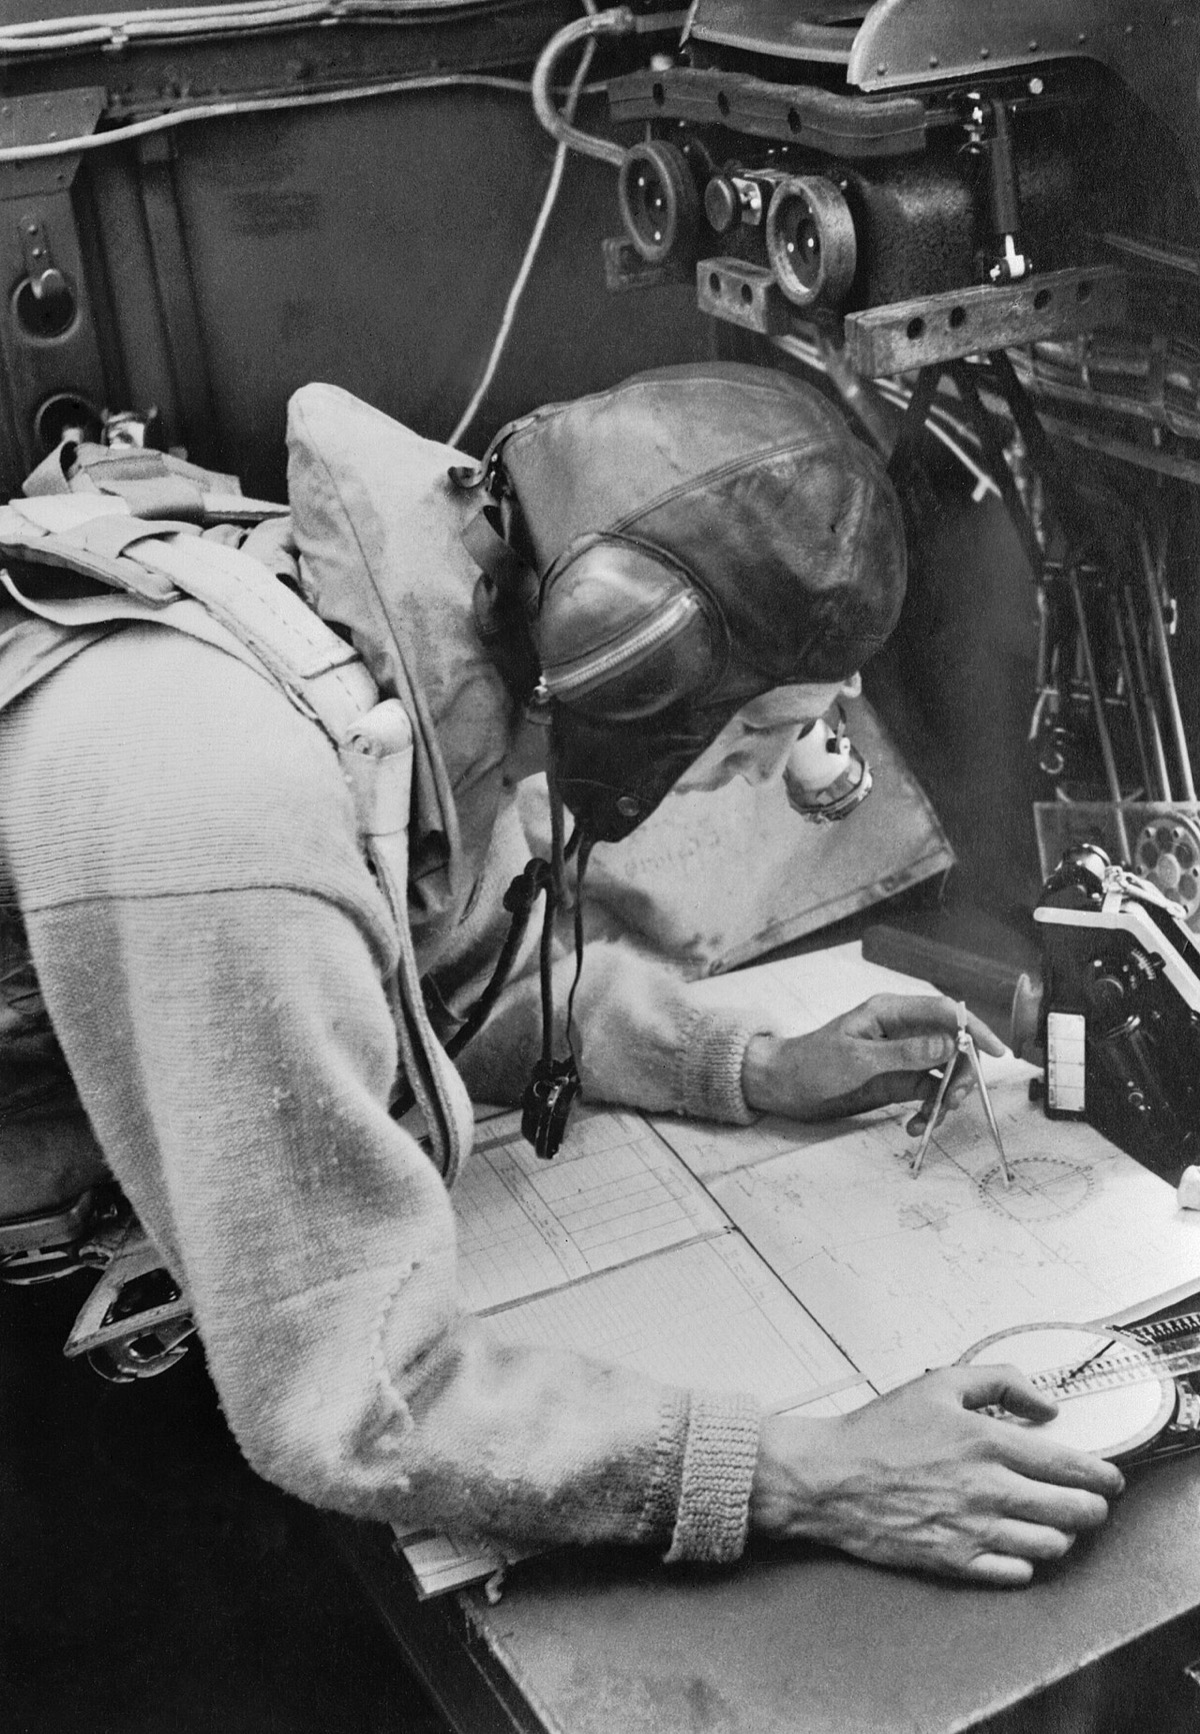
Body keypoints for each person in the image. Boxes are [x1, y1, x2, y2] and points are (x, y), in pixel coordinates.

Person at [0, 362, 1120, 1587]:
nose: (774, 771)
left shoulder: (418, 661)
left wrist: (748, 1065)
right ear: (620, 670)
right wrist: (812, 1470)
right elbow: (358, 1396)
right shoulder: (232, 803)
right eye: (759, 730)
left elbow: (457, 975)